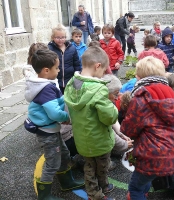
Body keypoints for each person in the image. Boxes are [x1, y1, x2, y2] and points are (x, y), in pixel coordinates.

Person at [121, 56, 174, 200]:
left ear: (138, 77)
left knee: (135, 187)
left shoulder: (141, 98)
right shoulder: (172, 95)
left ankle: (140, 194)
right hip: (172, 151)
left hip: (150, 154)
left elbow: (128, 129)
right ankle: (144, 192)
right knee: (147, 176)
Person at [24, 49, 84, 199]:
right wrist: (67, 118)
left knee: (63, 155)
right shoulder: (45, 89)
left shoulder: (46, 84)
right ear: (46, 70)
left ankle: (66, 181)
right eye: (56, 68)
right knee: (52, 162)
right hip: (47, 132)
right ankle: (44, 195)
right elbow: (54, 113)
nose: (58, 70)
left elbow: (58, 100)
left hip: (51, 129)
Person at [64, 46, 118, 200]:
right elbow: (109, 118)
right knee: (102, 165)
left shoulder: (72, 83)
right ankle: (100, 189)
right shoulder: (98, 90)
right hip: (99, 139)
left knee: (89, 166)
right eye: (103, 71)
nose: (103, 75)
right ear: (97, 66)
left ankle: (96, 191)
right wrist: (113, 108)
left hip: (82, 138)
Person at [48, 24, 81, 94]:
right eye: (58, 37)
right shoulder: (50, 49)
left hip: (70, 81)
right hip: (56, 81)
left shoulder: (72, 48)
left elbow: (77, 64)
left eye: (63, 37)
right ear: (53, 37)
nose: (60, 40)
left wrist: (78, 77)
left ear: (66, 37)